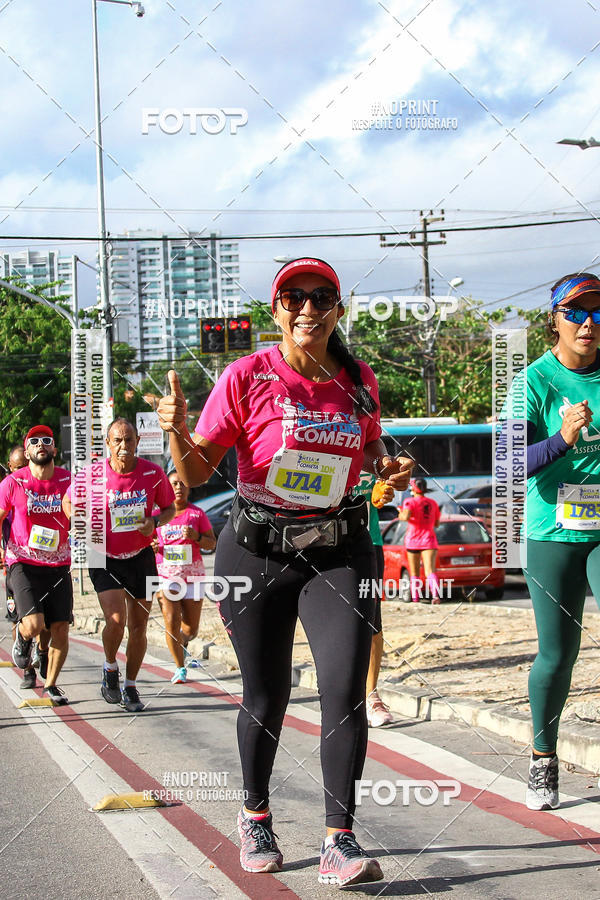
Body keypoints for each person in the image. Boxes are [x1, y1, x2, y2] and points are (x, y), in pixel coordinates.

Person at [158, 256, 413, 887]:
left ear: (338, 309)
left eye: (321, 297)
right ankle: (254, 815)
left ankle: (339, 839)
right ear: (276, 311)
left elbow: (373, 442)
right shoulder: (246, 376)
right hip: (258, 554)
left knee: (344, 689)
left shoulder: (359, 378)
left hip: (339, 550)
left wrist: (388, 465)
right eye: (293, 297)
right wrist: (176, 433)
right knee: (266, 693)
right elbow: (191, 476)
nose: (307, 308)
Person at [513, 271, 600, 810]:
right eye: (577, 312)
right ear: (555, 320)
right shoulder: (534, 381)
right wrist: (564, 438)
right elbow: (512, 464)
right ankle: (543, 757)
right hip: (554, 531)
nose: (589, 323)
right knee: (558, 653)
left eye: (598, 313)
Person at [64, 418, 175, 712]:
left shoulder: (153, 473)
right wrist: (78, 521)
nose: (123, 445)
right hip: (102, 553)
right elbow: (67, 502)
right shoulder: (92, 475)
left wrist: (154, 522)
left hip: (140, 555)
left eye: (128, 439)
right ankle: (110, 666)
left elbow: (170, 508)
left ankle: (131, 685)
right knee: (116, 620)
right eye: (117, 440)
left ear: (137, 441)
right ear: (108, 444)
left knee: (138, 627)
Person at [0, 426, 72, 704]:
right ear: (27, 450)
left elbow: (83, 515)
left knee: (60, 628)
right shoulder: (13, 483)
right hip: (23, 562)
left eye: (47, 441)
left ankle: (51, 685)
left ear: (54, 448)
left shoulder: (69, 480)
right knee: (33, 624)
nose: (41, 445)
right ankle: (22, 634)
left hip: (59, 563)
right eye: (34, 442)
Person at [152, 472, 216, 683]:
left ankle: (182, 644)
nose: (178, 487)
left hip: (193, 576)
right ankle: (180, 668)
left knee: (191, 629)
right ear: (167, 488)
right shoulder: (157, 515)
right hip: (166, 576)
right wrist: (151, 546)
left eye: (182, 484)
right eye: (174, 484)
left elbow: (211, 543)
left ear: (189, 488)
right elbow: (143, 540)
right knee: (171, 621)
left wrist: (197, 537)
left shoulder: (197, 514)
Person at [2, 445, 50, 689]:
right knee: (20, 619)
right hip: (15, 565)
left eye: (26, 466)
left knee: (44, 621)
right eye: (18, 467)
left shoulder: (38, 490)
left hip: (46, 564)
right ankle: (27, 671)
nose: (23, 471)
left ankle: (42, 652)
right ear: (11, 468)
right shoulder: (7, 490)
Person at [354, 472, 396, 727]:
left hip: (369, 544)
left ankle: (371, 694)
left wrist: (387, 488)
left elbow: (382, 494)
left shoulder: (371, 449)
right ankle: (340, 693)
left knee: (371, 619)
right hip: (325, 543)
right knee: (338, 621)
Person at [397, 477, 441, 603]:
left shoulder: (409, 502)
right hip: (429, 539)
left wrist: (400, 512)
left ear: (413, 489)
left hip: (413, 540)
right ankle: (436, 596)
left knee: (414, 572)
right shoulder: (433, 503)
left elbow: (405, 517)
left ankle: (416, 598)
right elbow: (437, 523)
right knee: (430, 570)